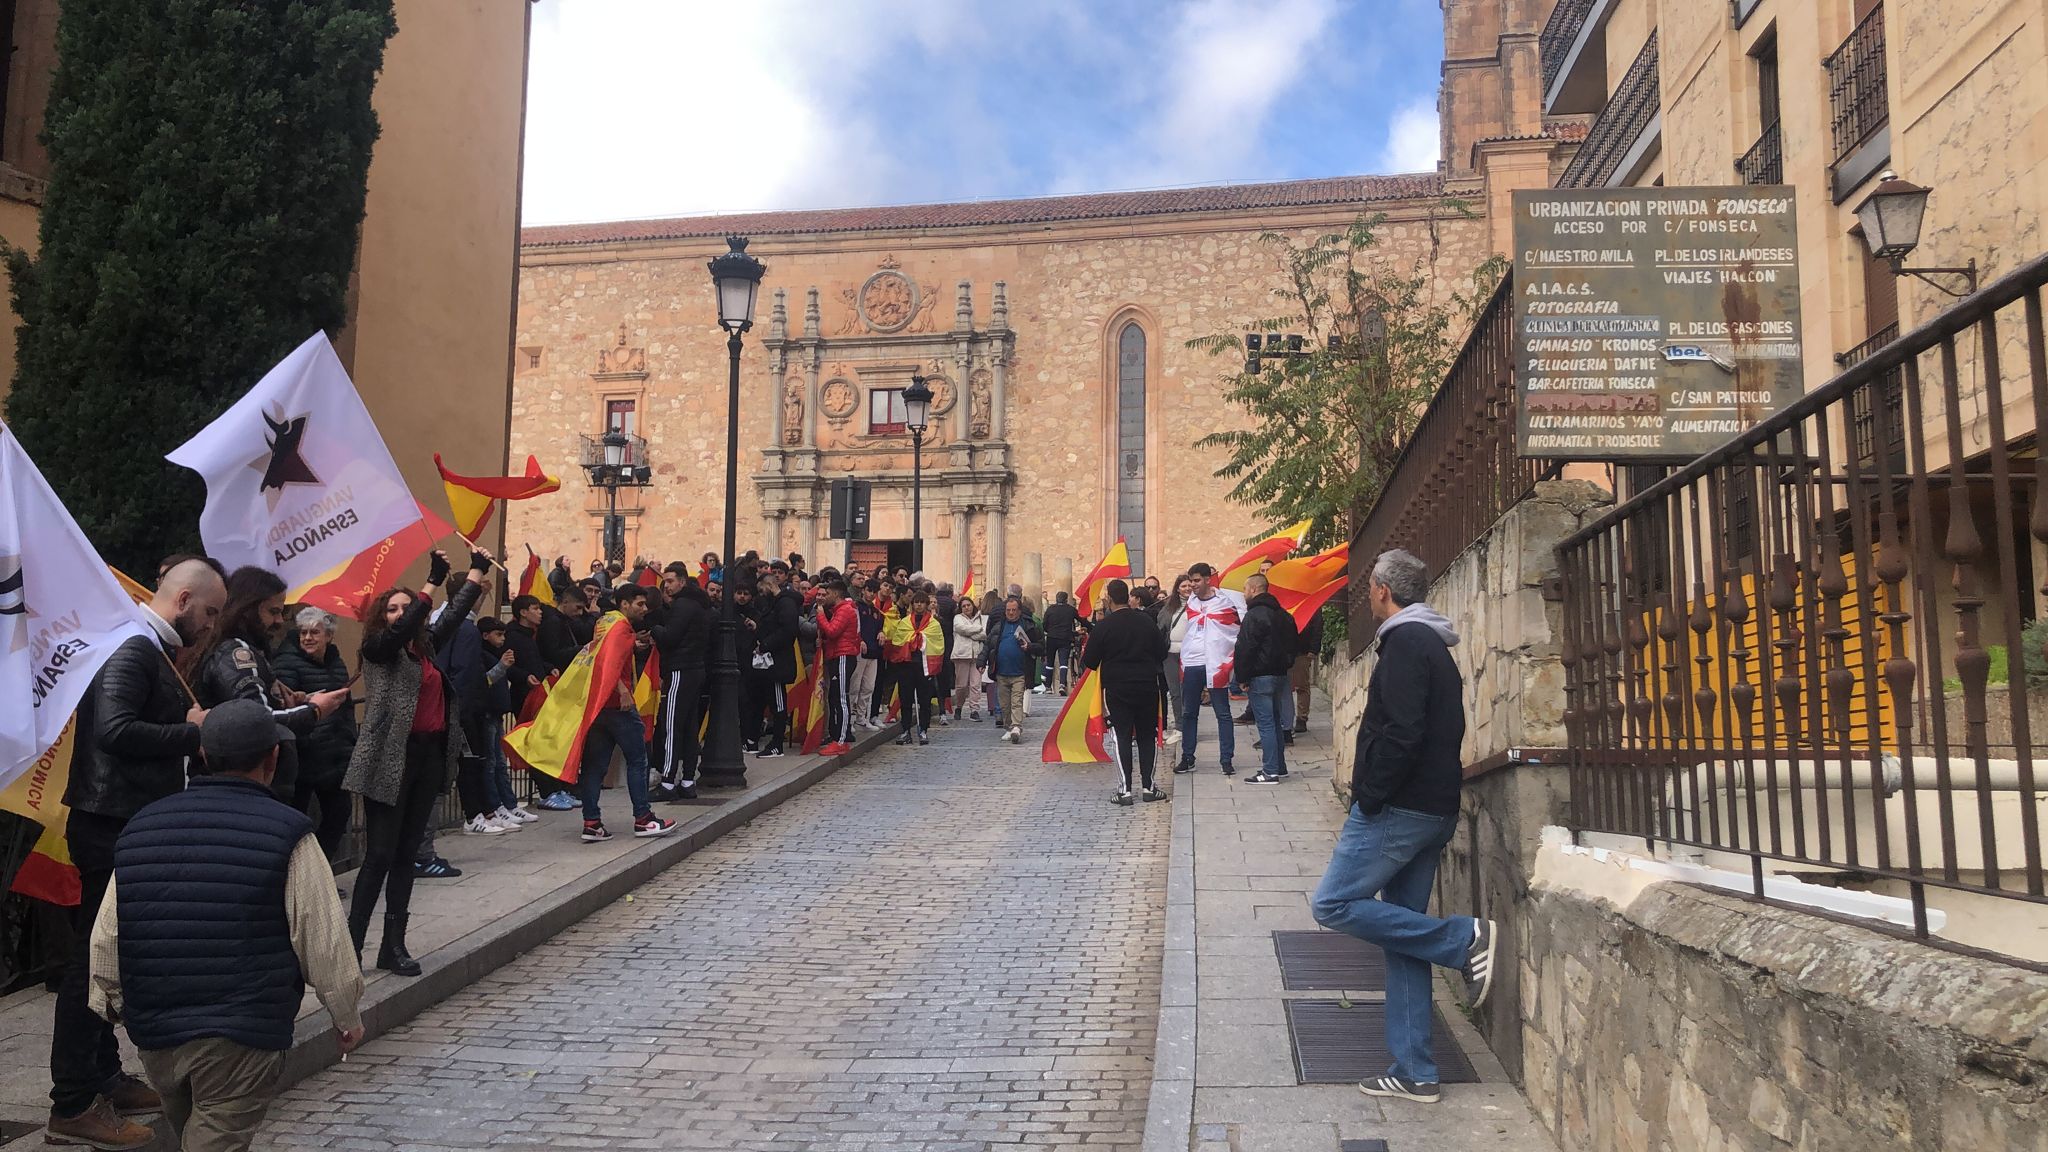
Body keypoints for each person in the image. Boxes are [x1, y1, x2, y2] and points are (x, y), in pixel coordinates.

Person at [88, 700, 364, 1152]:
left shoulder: (142, 827)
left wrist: (111, 998)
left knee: (197, 1137)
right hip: (242, 1028)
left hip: (157, 1029)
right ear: (273, 759)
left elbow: (109, 932)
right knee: (214, 1141)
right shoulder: (288, 832)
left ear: (202, 755)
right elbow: (322, 935)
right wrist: (346, 1013)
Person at [46, 559, 225, 1152]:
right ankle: (73, 1105)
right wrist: (191, 731)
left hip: (121, 819)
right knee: (90, 968)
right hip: (110, 824)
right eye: (210, 611)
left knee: (108, 960)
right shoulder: (134, 647)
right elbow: (115, 730)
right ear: (181, 602)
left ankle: (103, 1077)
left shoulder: (147, 646)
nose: (212, 624)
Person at [1310, 549, 1495, 1105]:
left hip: (1400, 810)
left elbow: (1403, 731)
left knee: (1333, 905)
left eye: (1370, 587)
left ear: (1384, 590)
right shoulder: (1427, 642)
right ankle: (1416, 1070)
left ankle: (1463, 938)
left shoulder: (1408, 643)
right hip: (1429, 807)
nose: (1367, 595)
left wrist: (1370, 795)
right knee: (1401, 933)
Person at [343, 549, 488, 978]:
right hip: (389, 759)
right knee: (379, 857)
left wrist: (476, 569)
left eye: (406, 607)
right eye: (392, 608)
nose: (401, 614)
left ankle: (393, 945)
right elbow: (404, 628)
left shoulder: (424, 648)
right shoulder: (378, 649)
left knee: (407, 856)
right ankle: (351, 949)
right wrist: (429, 582)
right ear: (381, 617)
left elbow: (453, 614)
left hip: (426, 756)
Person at [193, 567, 347, 808]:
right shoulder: (237, 653)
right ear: (247, 608)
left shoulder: (246, 650)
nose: (279, 621)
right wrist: (314, 711)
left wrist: (289, 701)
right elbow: (258, 719)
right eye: (273, 611)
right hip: (245, 784)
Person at [575, 584, 679, 843]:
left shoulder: (604, 622)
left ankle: (591, 822)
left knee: (594, 766)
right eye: (639, 604)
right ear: (624, 604)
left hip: (599, 705)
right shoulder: (620, 627)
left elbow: (602, 654)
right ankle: (643, 819)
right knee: (638, 760)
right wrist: (621, 689)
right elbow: (608, 661)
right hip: (619, 706)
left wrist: (635, 645)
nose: (644, 609)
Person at [271, 608, 359, 862]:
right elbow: (285, 706)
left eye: (314, 632)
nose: (308, 638)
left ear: (328, 636)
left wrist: (349, 740)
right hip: (303, 755)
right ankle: (296, 874)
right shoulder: (286, 662)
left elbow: (346, 706)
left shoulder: (336, 661)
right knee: (297, 820)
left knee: (339, 814)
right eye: (303, 633)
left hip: (334, 754)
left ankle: (320, 870)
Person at [1082, 580, 1169, 804]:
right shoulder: (1147, 622)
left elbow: (1089, 661)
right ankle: (1149, 787)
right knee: (1146, 736)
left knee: (1121, 736)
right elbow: (1161, 652)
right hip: (1147, 685)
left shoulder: (1104, 626)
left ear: (1110, 599)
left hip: (1117, 689)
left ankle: (1125, 790)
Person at [506, 594, 576, 811]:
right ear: (523, 613)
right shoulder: (513, 636)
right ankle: (546, 792)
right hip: (524, 697)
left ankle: (556, 789)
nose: (540, 612)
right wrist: (523, 676)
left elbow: (535, 659)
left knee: (548, 742)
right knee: (535, 745)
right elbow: (510, 665)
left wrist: (547, 668)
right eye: (535, 608)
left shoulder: (530, 636)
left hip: (540, 694)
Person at [1175, 562, 1246, 776]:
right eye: (1191, 581)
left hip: (1215, 662)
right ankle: (1187, 757)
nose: (1193, 585)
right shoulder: (1192, 603)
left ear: (1207, 579)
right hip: (1192, 662)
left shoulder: (1224, 602)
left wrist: (1227, 657)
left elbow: (1234, 630)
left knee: (1222, 713)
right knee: (1189, 712)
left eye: (1197, 581)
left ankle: (1226, 759)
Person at [651, 562, 712, 801]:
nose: (666, 586)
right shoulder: (698, 604)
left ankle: (667, 782)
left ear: (682, 582)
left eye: (670, 581)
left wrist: (654, 628)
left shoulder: (683, 606)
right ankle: (687, 780)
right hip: (694, 669)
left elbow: (670, 637)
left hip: (680, 669)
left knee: (671, 726)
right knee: (687, 728)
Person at [1234, 573, 1301, 783]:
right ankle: (1279, 767)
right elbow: (1293, 644)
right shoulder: (1284, 615)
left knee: (1266, 724)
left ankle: (1270, 770)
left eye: (1245, 589)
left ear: (1254, 589)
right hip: (1280, 674)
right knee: (1276, 721)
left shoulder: (1254, 616)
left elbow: (1245, 648)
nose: (1244, 594)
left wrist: (1242, 677)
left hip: (1260, 675)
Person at [475, 616, 536, 828]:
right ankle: (495, 806)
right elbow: (483, 681)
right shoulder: (480, 655)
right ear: (485, 635)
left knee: (500, 764)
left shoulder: (494, 654)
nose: (502, 640)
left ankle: (509, 804)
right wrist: (501, 665)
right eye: (498, 635)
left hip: (497, 712)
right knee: (491, 764)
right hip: (486, 713)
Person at [749, 569, 802, 758]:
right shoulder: (774, 604)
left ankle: (776, 744)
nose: (760, 593)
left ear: (770, 585)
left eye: (761, 588)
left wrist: (766, 645)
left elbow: (787, 631)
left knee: (779, 704)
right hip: (771, 662)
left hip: (779, 662)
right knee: (772, 702)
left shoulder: (785, 603)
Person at [982, 597, 1041, 745]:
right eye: (1008, 610)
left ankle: (1016, 727)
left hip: (1020, 672)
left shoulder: (1028, 626)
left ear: (1019, 611)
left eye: (1014, 610)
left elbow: (1041, 646)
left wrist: (1030, 647)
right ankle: (1009, 727)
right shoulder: (999, 626)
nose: (1011, 613)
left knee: (1016, 701)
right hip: (1002, 671)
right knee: (1004, 704)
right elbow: (988, 645)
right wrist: (981, 661)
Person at [814, 579, 860, 755]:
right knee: (836, 698)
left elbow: (833, 631)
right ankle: (839, 737)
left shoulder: (845, 610)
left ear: (836, 594)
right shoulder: (841, 610)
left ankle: (841, 740)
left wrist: (820, 614)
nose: (826, 597)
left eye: (828, 594)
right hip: (838, 655)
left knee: (840, 698)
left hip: (842, 656)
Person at [893, 591, 943, 745]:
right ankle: (906, 730)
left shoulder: (934, 624)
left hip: (924, 667)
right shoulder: (905, 622)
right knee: (906, 699)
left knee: (924, 700)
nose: (919, 605)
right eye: (916, 602)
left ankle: (923, 730)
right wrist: (912, 638)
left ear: (926, 605)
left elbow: (938, 644)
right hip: (906, 666)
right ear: (912, 604)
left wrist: (922, 638)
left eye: (922, 602)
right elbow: (898, 639)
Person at [852, 579, 884, 730]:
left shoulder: (877, 612)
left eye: (874, 591)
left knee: (868, 687)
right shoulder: (855, 607)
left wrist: (881, 632)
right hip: (859, 652)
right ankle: (850, 719)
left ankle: (861, 717)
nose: (871, 594)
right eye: (869, 590)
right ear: (863, 590)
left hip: (873, 652)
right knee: (855, 687)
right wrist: (860, 640)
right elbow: (853, 628)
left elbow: (879, 627)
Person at [950, 595, 987, 722]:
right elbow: (961, 629)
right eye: (964, 606)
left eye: (968, 605)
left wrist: (974, 634)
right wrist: (977, 630)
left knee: (976, 685)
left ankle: (974, 710)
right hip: (961, 655)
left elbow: (984, 634)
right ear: (960, 608)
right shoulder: (957, 618)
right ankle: (959, 706)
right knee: (961, 686)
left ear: (973, 605)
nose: (966, 608)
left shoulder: (980, 618)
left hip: (976, 655)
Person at [1039, 591, 1079, 695]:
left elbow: (1044, 625)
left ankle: (1048, 687)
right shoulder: (1070, 609)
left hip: (1052, 638)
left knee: (1050, 663)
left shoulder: (1050, 609)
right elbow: (1082, 620)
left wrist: (1050, 631)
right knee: (1063, 662)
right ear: (1066, 600)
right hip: (1065, 638)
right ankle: (1062, 684)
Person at [1292, 607, 1323, 735]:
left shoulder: (1312, 601)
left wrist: (1314, 648)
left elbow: (1317, 625)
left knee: (1302, 685)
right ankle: (1287, 720)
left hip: (1302, 649)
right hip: (1287, 648)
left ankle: (1302, 718)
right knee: (1285, 687)